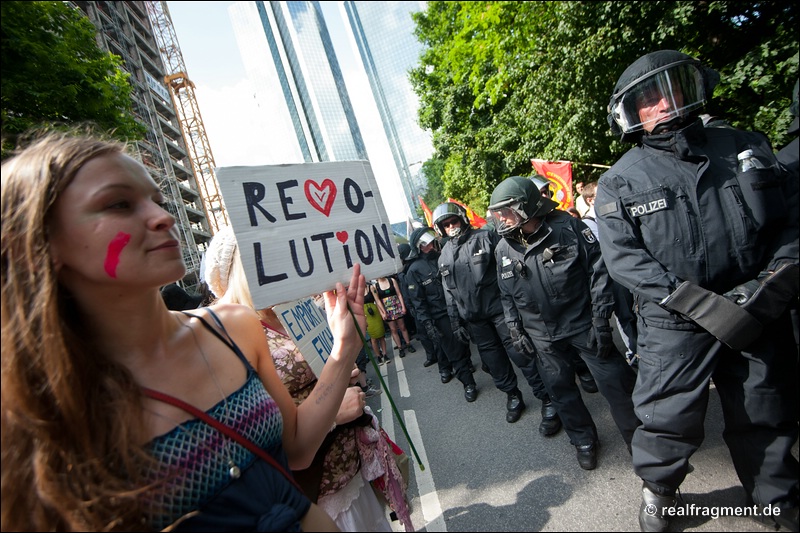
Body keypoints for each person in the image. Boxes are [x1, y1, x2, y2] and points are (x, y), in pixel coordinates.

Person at [0, 131, 367, 531]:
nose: (163, 217)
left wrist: (343, 348)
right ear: (40, 243)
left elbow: (297, 448)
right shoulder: (35, 408)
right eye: (118, 203)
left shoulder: (235, 328)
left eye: (157, 200)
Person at [597, 50, 799, 532]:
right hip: (675, 323)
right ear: (630, 114)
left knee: (764, 408)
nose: (664, 103)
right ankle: (661, 497)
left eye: (673, 87)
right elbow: (625, 260)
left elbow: (789, 224)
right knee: (668, 418)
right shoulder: (620, 180)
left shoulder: (745, 146)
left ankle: (777, 498)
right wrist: (696, 304)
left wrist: (766, 288)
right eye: (648, 98)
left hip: (755, 308)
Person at [203, 225, 399, 531]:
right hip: (313, 496)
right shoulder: (232, 333)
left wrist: (343, 364)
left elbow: (327, 370)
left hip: (350, 472)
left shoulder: (295, 309)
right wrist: (333, 414)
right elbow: (260, 433)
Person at [488, 176, 640, 471]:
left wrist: (600, 320)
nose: (501, 219)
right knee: (561, 392)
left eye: (507, 211)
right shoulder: (503, 249)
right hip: (542, 337)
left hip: (584, 326)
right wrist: (515, 329)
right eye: (498, 213)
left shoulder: (568, 228)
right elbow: (506, 294)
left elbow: (598, 273)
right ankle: (583, 440)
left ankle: (641, 442)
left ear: (526, 207)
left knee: (617, 385)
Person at [432, 201, 561, 433]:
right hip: (475, 321)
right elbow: (448, 292)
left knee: (522, 354)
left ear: (462, 219)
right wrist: (455, 321)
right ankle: (512, 396)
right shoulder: (443, 256)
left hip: (501, 311)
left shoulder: (486, 238)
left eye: (453, 221)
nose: (450, 226)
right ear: (440, 229)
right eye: (445, 224)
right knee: (495, 362)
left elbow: (508, 269)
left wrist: (520, 304)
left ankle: (547, 399)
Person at [403, 226, 478, 401]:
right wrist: (428, 324)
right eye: (426, 244)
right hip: (440, 316)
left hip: (459, 309)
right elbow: (418, 301)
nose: (431, 246)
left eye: (431, 242)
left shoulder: (442, 257)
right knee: (453, 351)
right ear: (419, 246)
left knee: (467, 343)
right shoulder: (414, 270)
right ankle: (468, 383)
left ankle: (467, 365)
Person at [580, 182, 638, 368]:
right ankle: (634, 352)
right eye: (600, 194)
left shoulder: (610, 214)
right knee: (625, 315)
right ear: (590, 200)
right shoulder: (587, 224)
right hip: (612, 277)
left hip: (627, 271)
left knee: (635, 313)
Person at [397, 243, 438, 368]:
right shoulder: (404, 270)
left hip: (420, 304)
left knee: (428, 332)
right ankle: (432, 356)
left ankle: (436, 357)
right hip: (415, 305)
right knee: (424, 333)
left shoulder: (412, 268)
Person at [371, 276, 416, 358]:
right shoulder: (375, 286)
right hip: (387, 309)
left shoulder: (392, 280)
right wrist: (382, 312)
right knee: (393, 329)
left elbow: (399, 294)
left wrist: (403, 306)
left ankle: (408, 344)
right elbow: (377, 300)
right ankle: (400, 348)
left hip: (396, 305)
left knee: (402, 327)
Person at [364, 281, 390, 364]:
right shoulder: (357, 291)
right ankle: (378, 356)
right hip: (366, 315)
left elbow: (377, 300)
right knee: (373, 338)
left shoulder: (371, 287)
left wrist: (383, 312)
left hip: (375, 313)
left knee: (381, 335)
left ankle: (385, 354)